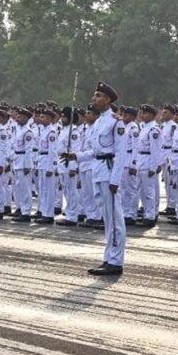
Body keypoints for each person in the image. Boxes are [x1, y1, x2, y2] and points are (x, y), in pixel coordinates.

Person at [64, 82, 127, 276]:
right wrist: (77, 156)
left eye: (98, 96)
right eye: (94, 95)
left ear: (108, 100)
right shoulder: (99, 122)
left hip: (109, 173)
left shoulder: (116, 123)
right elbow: (96, 151)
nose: (94, 99)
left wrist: (115, 180)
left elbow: (120, 153)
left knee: (115, 218)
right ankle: (109, 257)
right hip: (99, 171)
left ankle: (116, 261)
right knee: (107, 218)